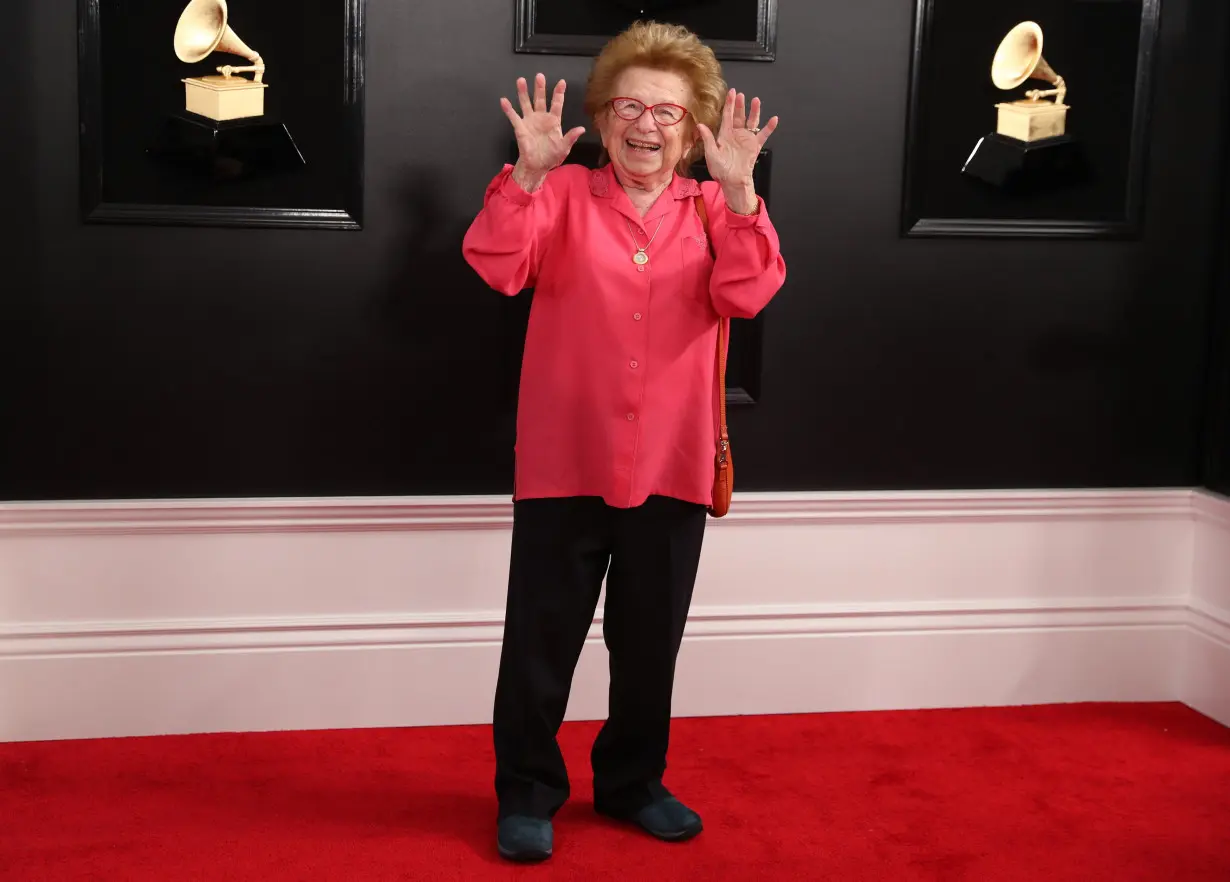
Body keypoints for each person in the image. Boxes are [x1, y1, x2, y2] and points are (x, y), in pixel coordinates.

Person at [461, 20, 786, 862]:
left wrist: (745, 198)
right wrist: (527, 176)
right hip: (566, 459)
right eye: (630, 107)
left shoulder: (720, 207)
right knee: (539, 643)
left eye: (668, 113)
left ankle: (633, 784)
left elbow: (749, 295)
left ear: (695, 128)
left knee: (649, 646)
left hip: (673, 463)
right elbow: (497, 265)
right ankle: (528, 792)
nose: (647, 126)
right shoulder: (558, 195)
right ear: (603, 120)